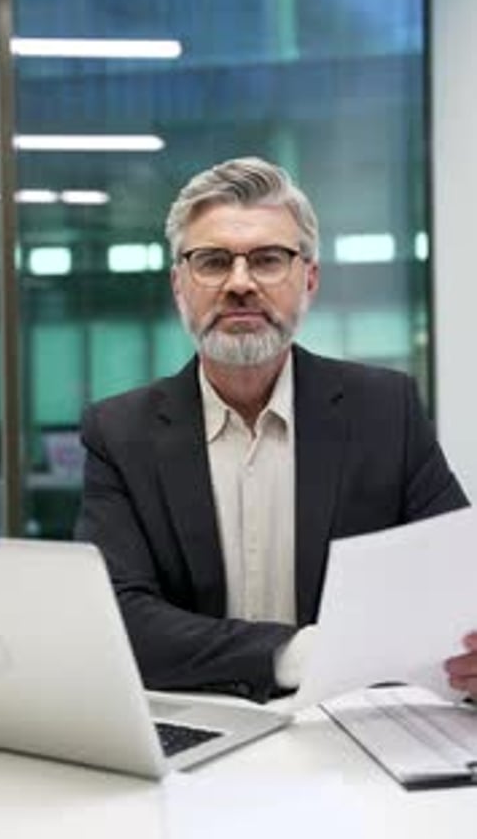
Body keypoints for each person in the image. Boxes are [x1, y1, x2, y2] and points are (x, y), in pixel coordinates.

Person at [75, 156, 475, 703]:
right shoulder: (119, 432)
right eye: (212, 262)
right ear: (179, 284)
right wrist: (292, 654)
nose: (240, 284)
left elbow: (455, 582)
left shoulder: (386, 410)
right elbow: (116, 614)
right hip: (195, 729)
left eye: (267, 260)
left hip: (348, 731)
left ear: (309, 279)